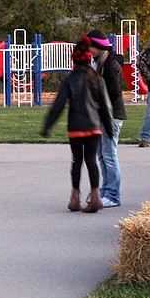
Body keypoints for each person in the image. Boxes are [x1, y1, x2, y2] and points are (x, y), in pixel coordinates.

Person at [41, 37, 114, 213]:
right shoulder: (96, 78)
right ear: (89, 58)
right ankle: (95, 197)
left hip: (76, 126)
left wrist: (47, 126)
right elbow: (105, 105)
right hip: (93, 126)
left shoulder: (70, 80)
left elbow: (58, 106)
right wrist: (109, 127)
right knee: (91, 160)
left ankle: (75, 198)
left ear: (74, 59)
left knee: (77, 161)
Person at [86, 29, 126, 209]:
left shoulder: (110, 64)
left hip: (111, 116)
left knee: (109, 155)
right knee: (101, 155)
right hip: (100, 115)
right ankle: (105, 189)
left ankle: (114, 194)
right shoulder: (98, 62)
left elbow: (115, 91)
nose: (89, 49)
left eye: (91, 46)